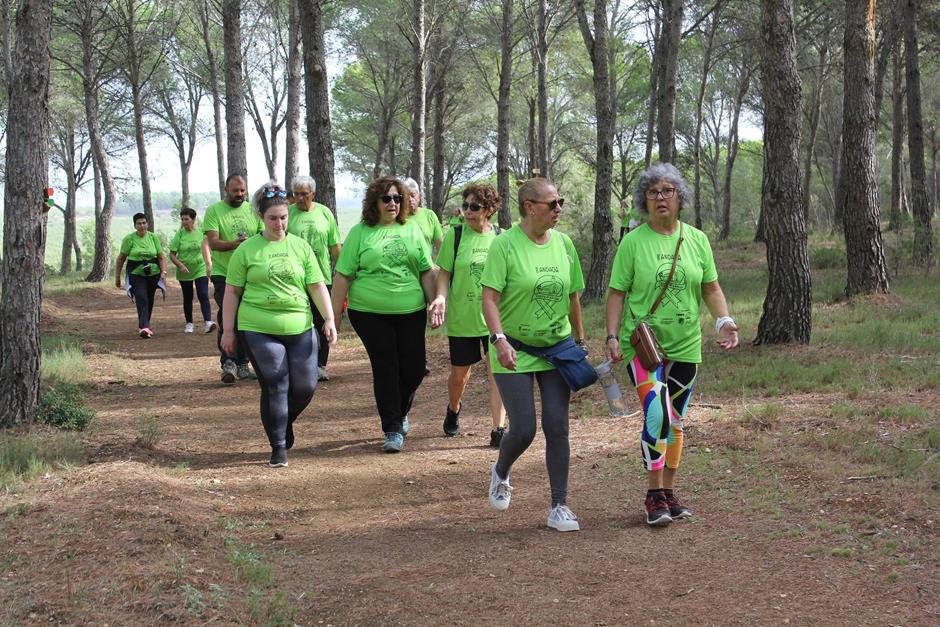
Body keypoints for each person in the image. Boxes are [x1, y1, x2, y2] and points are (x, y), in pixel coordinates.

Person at [604, 162, 739, 526]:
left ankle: (668, 491)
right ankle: (652, 495)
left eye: (667, 191)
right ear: (643, 200)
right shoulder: (633, 243)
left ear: (680, 197)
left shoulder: (696, 240)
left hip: (686, 346)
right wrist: (613, 335)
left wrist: (723, 321)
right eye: (653, 192)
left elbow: (710, 288)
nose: (660, 198)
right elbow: (617, 293)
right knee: (656, 413)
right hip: (645, 346)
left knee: (676, 421)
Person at [482, 178, 586, 532]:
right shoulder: (504, 246)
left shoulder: (564, 244)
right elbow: (489, 299)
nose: (559, 208)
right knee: (524, 429)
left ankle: (559, 505)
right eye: (552, 203)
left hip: (557, 348)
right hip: (513, 348)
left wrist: (581, 341)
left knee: (557, 425)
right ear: (529, 206)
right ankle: (502, 470)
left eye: (561, 202)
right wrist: (498, 340)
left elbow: (573, 297)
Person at [221, 183, 336, 468]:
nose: (279, 223)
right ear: (262, 217)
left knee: (305, 387)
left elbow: (317, 285)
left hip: (300, 326)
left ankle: (283, 421)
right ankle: (278, 446)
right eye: (273, 218)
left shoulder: (301, 247)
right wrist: (227, 330)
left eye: (283, 217)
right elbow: (232, 292)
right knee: (275, 382)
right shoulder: (246, 251)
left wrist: (330, 318)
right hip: (258, 327)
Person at [331, 176, 435, 453]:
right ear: (374, 202)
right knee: (386, 366)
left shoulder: (412, 230)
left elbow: (425, 270)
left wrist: (435, 301)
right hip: (369, 312)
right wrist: (334, 316)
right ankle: (391, 428)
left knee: (413, 368)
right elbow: (343, 276)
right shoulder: (360, 233)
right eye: (386, 198)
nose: (393, 203)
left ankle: (399, 411)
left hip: (411, 310)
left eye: (397, 198)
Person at [428, 183, 507, 446]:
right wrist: (440, 297)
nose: (468, 212)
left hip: (495, 319)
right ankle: (453, 408)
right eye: (466, 206)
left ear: (490, 209)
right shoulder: (456, 235)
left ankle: (499, 429)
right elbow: (445, 273)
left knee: (498, 372)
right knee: (460, 375)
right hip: (464, 317)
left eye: (475, 207)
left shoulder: (502, 237)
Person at [205, 174, 262, 384]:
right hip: (224, 273)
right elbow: (213, 242)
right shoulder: (214, 211)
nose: (239, 194)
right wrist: (235, 245)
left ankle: (243, 364)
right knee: (228, 316)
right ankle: (228, 362)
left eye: (242, 191)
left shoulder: (252, 210)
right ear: (226, 189)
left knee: (246, 318)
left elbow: (261, 237)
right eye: (235, 190)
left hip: (249, 274)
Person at [287, 175, 342, 382]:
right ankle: (299, 364)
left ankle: (320, 365)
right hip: (294, 278)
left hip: (321, 277)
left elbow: (335, 245)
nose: (300, 198)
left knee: (322, 322)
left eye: (304, 194)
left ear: (313, 194)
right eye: (296, 194)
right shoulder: (288, 215)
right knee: (299, 320)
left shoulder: (324, 213)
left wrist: (341, 271)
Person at [115, 213, 167, 338]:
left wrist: (163, 271)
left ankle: (145, 326)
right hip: (136, 274)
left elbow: (161, 257)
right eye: (139, 223)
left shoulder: (153, 238)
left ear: (147, 224)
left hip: (153, 273)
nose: (142, 225)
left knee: (149, 299)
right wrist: (117, 276)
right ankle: (144, 327)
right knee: (141, 298)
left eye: (144, 223)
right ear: (135, 225)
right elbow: (121, 258)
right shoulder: (129, 239)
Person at [169, 207, 216, 334]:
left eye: (187, 219)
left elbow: (209, 249)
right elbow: (172, 254)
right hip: (185, 271)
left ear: (193, 219)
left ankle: (208, 322)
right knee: (188, 297)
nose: (184, 222)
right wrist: (180, 266)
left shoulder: (201, 233)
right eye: (182, 219)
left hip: (200, 268)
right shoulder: (179, 235)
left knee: (203, 294)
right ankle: (189, 323)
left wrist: (209, 265)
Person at [401, 177, 443, 256]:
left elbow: (440, 245)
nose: (410, 199)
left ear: (419, 197)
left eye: (412, 195)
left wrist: (435, 263)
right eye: (406, 196)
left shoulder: (429, 215)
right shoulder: (398, 217)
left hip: (427, 267)